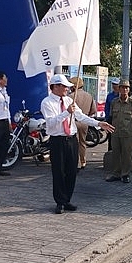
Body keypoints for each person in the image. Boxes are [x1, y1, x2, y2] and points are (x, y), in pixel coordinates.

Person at [41, 74, 114, 214]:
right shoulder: (47, 102)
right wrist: (66, 113)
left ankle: (67, 199)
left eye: (68, 87)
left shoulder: (69, 100)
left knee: (71, 171)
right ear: (55, 87)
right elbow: (50, 122)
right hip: (58, 140)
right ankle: (60, 201)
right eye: (64, 87)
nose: (67, 89)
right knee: (58, 172)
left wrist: (98, 123)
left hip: (71, 139)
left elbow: (81, 116)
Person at [105, 79, 132, 183]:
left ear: (129, 90)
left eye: (126, 88)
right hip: (115, 132)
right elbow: (111, 116)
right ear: (119, 89)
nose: (124, 89)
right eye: (122, 87)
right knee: (115, 153)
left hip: (127, 133)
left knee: (126, 154)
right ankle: (116, 173)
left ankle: (125, 174)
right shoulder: (114, 102)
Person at [69, 77, 96, 169]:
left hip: (74, 122)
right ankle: (83, 161)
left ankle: (75, 162)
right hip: (85, 122)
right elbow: (93, 111)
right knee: (82, 142)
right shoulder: (89, 96)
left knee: (74, 143)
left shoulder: (70, 97)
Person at [104, 78, 120, 151]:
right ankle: (110, 153)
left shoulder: (121, 96)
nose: (114, 86)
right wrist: (107, 118)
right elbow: (107, 107)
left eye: (116, 84)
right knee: (110, 137)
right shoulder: (110, 96)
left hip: (120, 119)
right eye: (113, 84)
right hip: (111, 119)